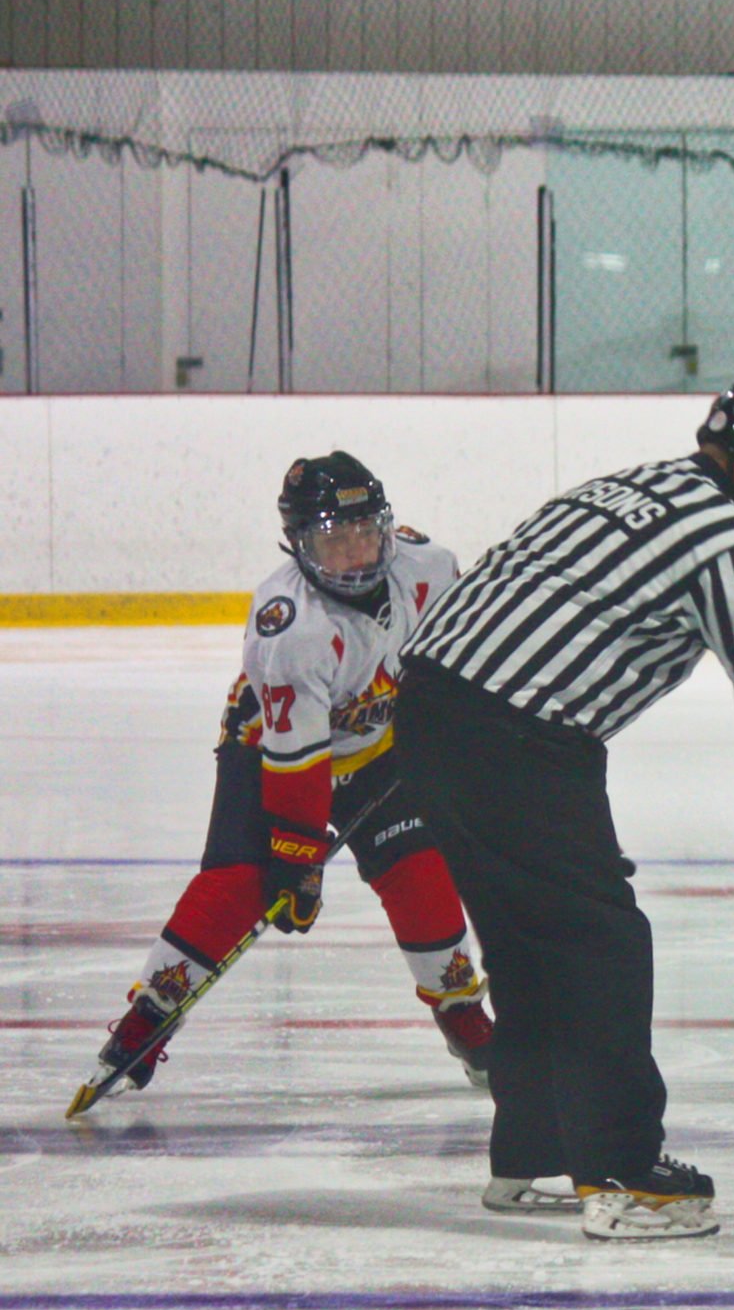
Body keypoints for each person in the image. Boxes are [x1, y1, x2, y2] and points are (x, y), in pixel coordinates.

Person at [398, 372, 734, 1241]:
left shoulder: (624, 486)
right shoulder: (722, 541)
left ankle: (532, 1153)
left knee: (527, 944)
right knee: (600, 945)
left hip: (426, 709)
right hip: (521, 736)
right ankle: (622, 1174)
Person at [74, 453, 493, 1111]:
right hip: (270, 750)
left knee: (420, 871)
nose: (356, 553)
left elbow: (460, 656)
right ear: (298, 544)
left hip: (378, 746)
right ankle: (148, 1017)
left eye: (366, 532)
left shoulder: (431, 567)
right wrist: (297, 860)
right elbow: (298, 764)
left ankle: (462, 1011)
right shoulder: (289, 628)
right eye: (334, 539)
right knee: (239, 883)